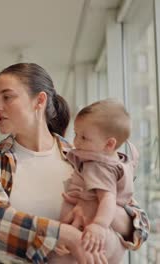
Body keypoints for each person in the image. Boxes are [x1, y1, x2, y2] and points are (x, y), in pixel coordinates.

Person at [0, 63, 149, 263]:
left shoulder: (82, 157)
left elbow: (139, 228)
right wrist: (66, 235)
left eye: (7, 97)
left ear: (40, 100)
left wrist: (99, 204)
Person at [57, 99, 139, 263]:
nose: (76, 142)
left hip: (98, 235)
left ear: (109, 144)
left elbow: (107, 198)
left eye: (84, 138)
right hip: (112, 239)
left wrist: (99, 225)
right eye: (76, 134)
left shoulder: (99, 166)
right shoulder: (120, 160)